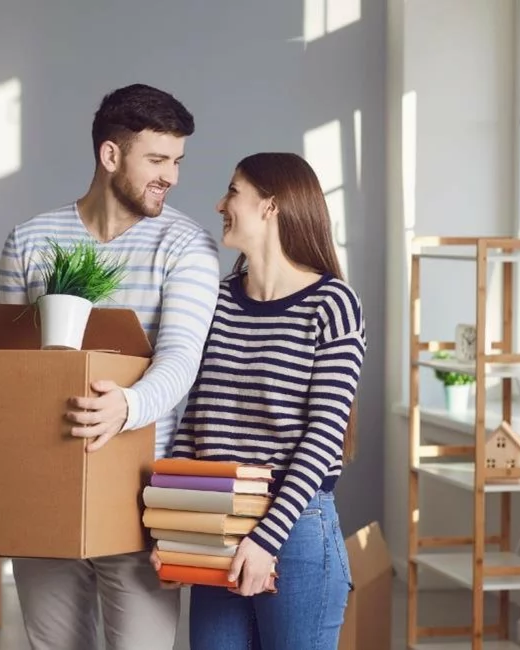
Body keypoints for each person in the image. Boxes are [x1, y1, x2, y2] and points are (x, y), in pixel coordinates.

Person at [0, 83, 220, 650]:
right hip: (43, 487)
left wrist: (126, 406)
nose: (171, 175)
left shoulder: (185, 245)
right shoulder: (30, 241)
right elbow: (2, 368)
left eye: (178, 161)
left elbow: (181, 358)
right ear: (111, 155)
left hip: (139, 497)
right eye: (158, 159)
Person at [151, 152, 366, 650]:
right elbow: (194, 422)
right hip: (215, 525)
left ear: (270, 205)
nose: (220, 203)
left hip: (295, 528)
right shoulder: (218, 300)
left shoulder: (332, 304)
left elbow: (324, 435)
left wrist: (265, 539)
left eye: (233, 191)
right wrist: (173, 535)